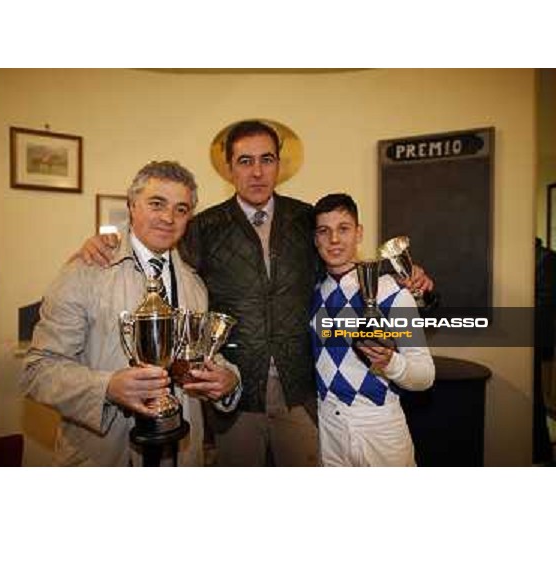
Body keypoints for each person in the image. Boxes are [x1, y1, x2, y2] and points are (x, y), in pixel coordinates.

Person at [78, 120, 434, 466]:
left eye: (267, 159)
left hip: (302, 396)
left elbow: (342, 261)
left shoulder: (305, 220)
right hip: (235, 397)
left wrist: (403, 275)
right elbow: (154, 264)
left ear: (279, 164)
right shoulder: (201, 227)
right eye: (245, 161)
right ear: (229, 169)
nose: (257, 172)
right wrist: (110, 242)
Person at [22, 161, 240, 467]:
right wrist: (107, 387)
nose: (168, 217)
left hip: (181, 454)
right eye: (156, 204)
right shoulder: (85, 272)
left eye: (181, 209)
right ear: (132, 205)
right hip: (104, 456)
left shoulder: (194, 284)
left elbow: (201, 357)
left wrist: (228, 380)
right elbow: (38, 369)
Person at [310, 193, 435, 466]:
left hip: (381, 427)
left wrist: (390, 362)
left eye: (343, 228)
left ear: (359, 233)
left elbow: (425, 375)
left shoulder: (392, 290)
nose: (333, 239)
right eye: (324, 231)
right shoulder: (311, 294)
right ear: (315, 238)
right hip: (328, 431)